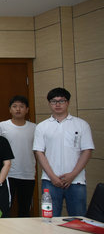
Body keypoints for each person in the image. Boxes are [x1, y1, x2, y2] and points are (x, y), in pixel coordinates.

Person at [33, 87, 94, 216]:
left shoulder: (81, 124)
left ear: (68, 102)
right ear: (49, 103)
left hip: (76, 180)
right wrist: (53, 177)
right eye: (54, 101)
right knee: (49, 220)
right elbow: (39, 152)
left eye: (61, 101)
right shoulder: (42, 126)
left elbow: (87, 150)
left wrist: (72, 175)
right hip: (50, 181)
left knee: (78, 220)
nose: (57, 104)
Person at [0, 95, 36, 217]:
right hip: (8, 175)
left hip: (28, 174)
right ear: (10, 109)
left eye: (22, 106)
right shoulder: (2, 126)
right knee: (5, 208)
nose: (18, 109)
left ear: (27, 109)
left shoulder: (34, 127)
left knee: (25, 209)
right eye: (15, 106)